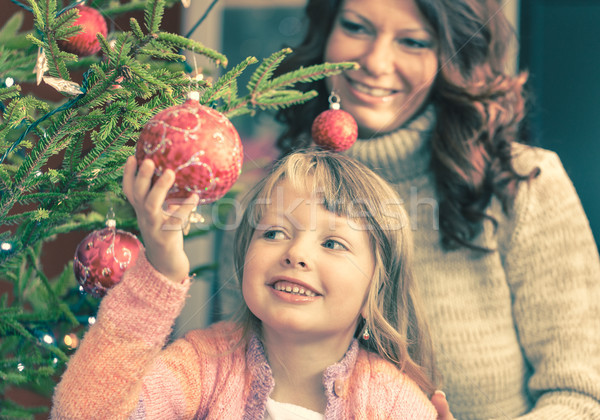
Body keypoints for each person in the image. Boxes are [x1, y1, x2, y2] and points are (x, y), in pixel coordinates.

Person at [217, 0, 600, 419]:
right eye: (356, 27)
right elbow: (229, 374)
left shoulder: (524, 182)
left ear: (453, 58)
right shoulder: (271, 196)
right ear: (325, 31)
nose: (376, 62)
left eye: (413, 41)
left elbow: (579, 395)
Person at [51, 149, 440, 419]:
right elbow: (83, 413)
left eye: (333, 243)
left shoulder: (396, 404)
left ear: (377, 287)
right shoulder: (202, 366)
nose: (296, 253)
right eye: (273, 233)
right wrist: (161, 273)